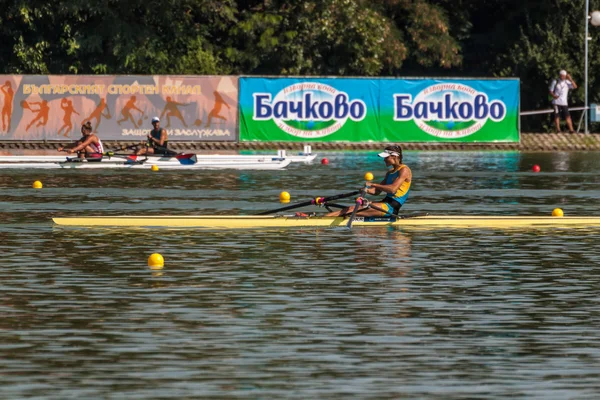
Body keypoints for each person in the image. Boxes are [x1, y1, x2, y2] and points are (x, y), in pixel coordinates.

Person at [326, 145, 412, 217]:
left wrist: (373, 184)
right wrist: (366, 190)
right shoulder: (390, 172)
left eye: (386, 157)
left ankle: (320, 220)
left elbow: (392, 189)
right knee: (350, 209)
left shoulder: (404, 170)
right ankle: (323, 218)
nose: (384, 160)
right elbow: (377, 192)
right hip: (384, 203)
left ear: (394, 156)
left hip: (391, 207)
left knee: (350, 210)